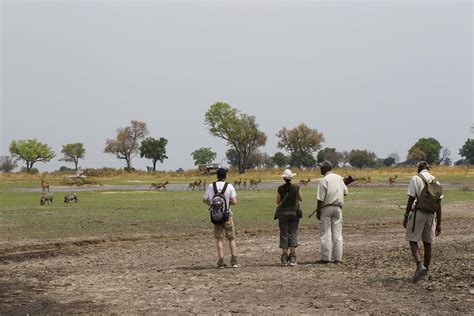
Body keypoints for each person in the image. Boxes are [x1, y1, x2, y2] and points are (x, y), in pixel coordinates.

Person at [403, 161, 442, 283]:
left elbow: (411, 198)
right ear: (428, 169)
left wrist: (406, 215)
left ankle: (420, 265)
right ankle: (426, 270)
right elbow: (439, 204)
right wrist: (439, 223)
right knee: (428, 243)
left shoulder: (416, 178)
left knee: (413, 240)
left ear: (419, 169)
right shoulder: (435, 181)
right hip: (431, 215)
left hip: (418, 213)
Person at [203, 168, 238, 268]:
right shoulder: (229, 186)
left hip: (216, 216)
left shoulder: (211, 186)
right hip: (227, 216)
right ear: (225, 176)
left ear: (217, 176)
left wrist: (214, 205)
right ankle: (234, 261)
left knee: (219, 238)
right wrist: (226, 203)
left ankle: (221, 261)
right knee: (231, 238)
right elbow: (234, 202)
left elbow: (204, 200)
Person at [314, 161, 348, 264]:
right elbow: (345, 192)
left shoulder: (323, 180)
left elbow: (320, 198)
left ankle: (326, 258)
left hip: (326, 208)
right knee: (337, 234)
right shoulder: (339, 178)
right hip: (338, 208)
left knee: (325, 233)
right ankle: (338, 258)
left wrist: (318, 211)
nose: (320, 169)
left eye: (321, 168)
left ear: (325, 169)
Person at [276, 169, 303, 266]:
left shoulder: (280, 188)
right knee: (293, 233)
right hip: (294, 213)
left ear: (284, 178)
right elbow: (301, 198)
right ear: (291, 178)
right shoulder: (296, 187)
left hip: (283, 214)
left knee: (284, 234)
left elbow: (277, 202)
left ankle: (284, 256)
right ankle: (292, 257)